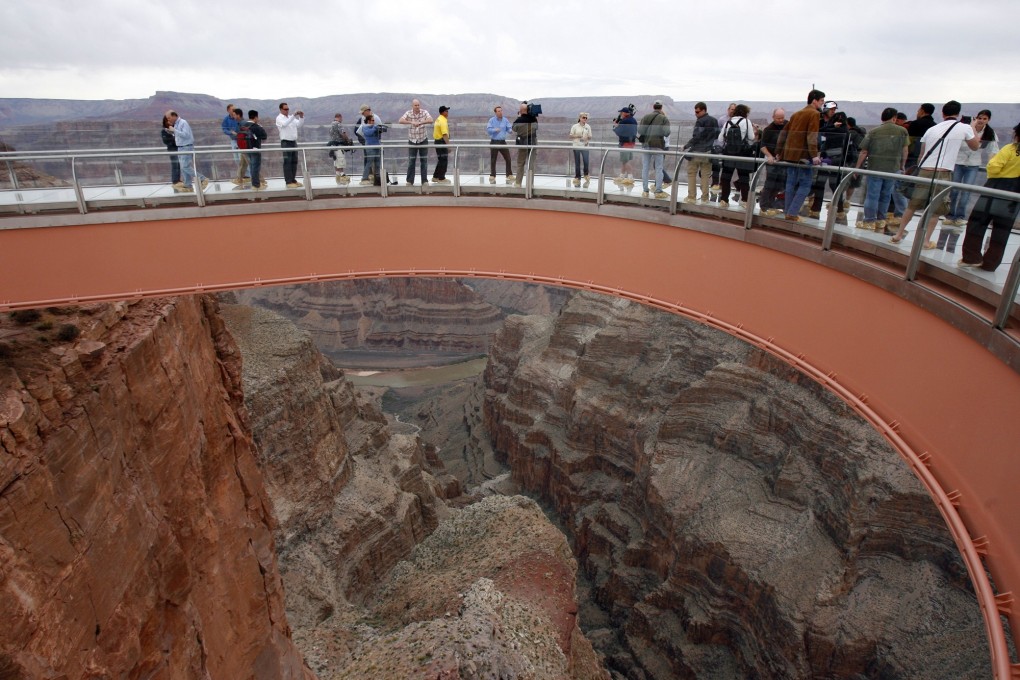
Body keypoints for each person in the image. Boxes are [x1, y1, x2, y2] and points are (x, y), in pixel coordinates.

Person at [890, 100, 980, 247]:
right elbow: (975, 146)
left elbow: (922, 154)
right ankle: (925, 241)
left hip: (925, 170)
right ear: (958, 114)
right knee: (936, 209)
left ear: (942, 113)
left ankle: (899, 234)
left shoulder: (932, 129)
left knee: (912, 205)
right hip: (943, 172)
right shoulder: (964, 127)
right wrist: (973, 127)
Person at [958, 122, 1020, 272]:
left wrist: (995, 171)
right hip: (1016, 192)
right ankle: (991, 263)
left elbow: (993, 167)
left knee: (978, 220)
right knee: (1002, 228)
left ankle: (971, 257)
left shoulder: (1010, 149)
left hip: (997, 186)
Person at [855, 107, 908, 232]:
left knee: (872, 195)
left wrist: (857, 167)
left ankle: (869, 221)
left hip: (875, 169)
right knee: (886, 195)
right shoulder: (902, 131)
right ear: (894, 118)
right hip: (892, 169)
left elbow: (864, 151)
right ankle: (880, 220)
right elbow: (905, 150)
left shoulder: (874, 131)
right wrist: (902, 165)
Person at [776, 89, 825, 221]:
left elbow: (783, 134)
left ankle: (788, 211)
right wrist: (814, 155)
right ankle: (792, 213)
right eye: (821, 101)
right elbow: (811, 135)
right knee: (805, 184)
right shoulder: (814, 114)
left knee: (790, 184)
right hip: (803, 157)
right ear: (814, 100)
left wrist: (779, 152)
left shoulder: (797, 114)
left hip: (790, 155)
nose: (822, 103)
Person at [945, 110, 999, 229]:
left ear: (988, 120)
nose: (981, 121)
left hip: (973, 164)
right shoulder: (966, 129)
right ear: (976, 118)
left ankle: (960, 217)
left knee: (966, 191)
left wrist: (993, 165)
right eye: (980, 118)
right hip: (958, 162)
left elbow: (993, 150)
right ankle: (950, 215)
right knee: (953, 190)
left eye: (985, 119)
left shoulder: (990, 133)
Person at [809, 108, 852, 222]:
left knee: (821, 184)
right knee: (834, 185)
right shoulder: (846, 131)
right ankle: (839, 210)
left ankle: (816, 208)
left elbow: (821, 130)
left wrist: (832, 126)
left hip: (828, 160)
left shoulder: (838, 131)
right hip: (836, 161)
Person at [716, 103, 756, 207]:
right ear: (745, 113)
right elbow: (751, 138)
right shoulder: (747, 122)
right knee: (744, 177)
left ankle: (724, 200)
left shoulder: (728, 122)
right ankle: (744, 200)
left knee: (726, 177)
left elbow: (720, 139)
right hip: (742, 154)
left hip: (728, 153)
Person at [683, 102, 719, 204]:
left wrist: (686, 146)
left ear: (704, 110)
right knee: (705, 176)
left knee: (691, 174)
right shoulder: (714, 120)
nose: (696, 114)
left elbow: (696, 137)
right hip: (708, 152)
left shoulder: (700, 121)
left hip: (697, 152)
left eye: (697, 112)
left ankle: (691, 197)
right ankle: (705, 198)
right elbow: (717, 135)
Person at [164, 110, 208, 192]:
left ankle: (203, 179)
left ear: (174, 116)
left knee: (185, 166)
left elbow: (186, 135)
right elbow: (179, 135)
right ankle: (188, 185)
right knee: (183, 167)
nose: (168, 120)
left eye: (169, 118)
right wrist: (172, 132)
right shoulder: (177, 124)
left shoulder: (183, 123)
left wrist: (174, 130)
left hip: (186, 147)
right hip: (180, 147)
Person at [638, 101, 671, 198]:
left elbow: (640, 131)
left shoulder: (645, 117)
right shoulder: (664, 118)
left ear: (653, 107)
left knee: (645, 167)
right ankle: (658, 190)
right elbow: (667, 133)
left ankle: (645, 190)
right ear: (661, 107)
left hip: (646, 145)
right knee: (659, 168)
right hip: (658, 145)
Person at [758, 108, 787, 215]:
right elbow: (763, 146)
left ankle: (771, 204)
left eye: (782, 118)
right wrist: (770, 156)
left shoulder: (787, 125)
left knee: (779, 185)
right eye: (778, 118)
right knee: (770, 183)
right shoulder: (768, 129)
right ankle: (764, 206)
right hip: (772, 161)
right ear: (773, 117)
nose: (781, 120)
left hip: (783, 161)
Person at [398, 99, 433, 186]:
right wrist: (411, 122)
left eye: (418, 105)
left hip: (423, 139)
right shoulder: (408, 113)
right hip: (412, 140)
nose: (417, 107)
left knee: (424, 161)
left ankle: (424, 181)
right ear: (412, 106)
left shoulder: (424, 112)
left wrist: (421, 122)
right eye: (415, 105)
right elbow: (400, 120)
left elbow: (431, 119)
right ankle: (410, 181)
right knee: (411, 161)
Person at [276, 102, 304, 188]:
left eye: (288, 109)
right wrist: (293, 116)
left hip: (293, 142)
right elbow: (284, 124)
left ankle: (293, 179)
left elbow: (299, 125)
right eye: (285, 109)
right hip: (286, 142)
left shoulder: (290, 118)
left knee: (294, 161)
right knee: (287, 162)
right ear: (281, 109)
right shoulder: (279, 118)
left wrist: (301, 117)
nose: (287, 111)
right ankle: (288, 181)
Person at [512, 102, 539, 187]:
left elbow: (514, 129)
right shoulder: (533, 119)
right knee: (531, 164)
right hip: (532, 143)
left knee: (520, 163)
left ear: (520, 111)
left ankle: (518, 183)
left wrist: (519, 117)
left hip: (522, 144)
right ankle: (530, 184)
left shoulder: (518, 120)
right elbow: (536, 128)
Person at [486, 105, 514, 183]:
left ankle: (509, 175)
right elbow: (488, 130)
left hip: (502, 142)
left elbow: (509, 128)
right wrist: (495, 130)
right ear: (495, 112)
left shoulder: (505, 120)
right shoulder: (491, 120)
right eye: (498, 111)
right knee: (493, 159)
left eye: (501, 111)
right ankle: (492, 175)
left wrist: (510, 130)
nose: (500, 112)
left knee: (508, 158)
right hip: (494, 141)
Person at [242, 110, 268, 191]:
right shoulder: (256, 126)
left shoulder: (244, 125)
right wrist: (260, 127)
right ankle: (256, 185)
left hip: (246, 149)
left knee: (252, 166)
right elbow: (264, 136)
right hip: (255, 149)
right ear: (256, 117)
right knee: (255, 167)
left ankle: (254, 184)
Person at [612, 106, 637, 185]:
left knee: (625, 161)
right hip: (631, 142)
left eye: (621, 112)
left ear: (625, 113)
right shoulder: (633, 120)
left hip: (625, 143)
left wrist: (615, 126)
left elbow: (618, 132)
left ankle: (630, 177)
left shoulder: (624, 121)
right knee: (624, 160)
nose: (620, 114)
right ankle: (622, 176)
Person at [327, 113, 353, 185]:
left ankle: (338, 177)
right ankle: (342, 176)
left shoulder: (331, 125)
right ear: (339, 117)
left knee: (336, 161)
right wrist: (347, 140)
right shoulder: (338, 124)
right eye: (341, 118)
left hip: (333, 146)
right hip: (338, 146)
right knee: (341, 160)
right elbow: (343, 134)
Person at [229, 107, 250, 188]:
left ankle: (260, 180)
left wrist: (236, 134)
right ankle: (240, 178)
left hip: (244, 146)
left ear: (238, 115)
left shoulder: (243, 123)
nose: (233, 116)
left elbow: (246, 133)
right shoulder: (239, 123)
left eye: (234, 115)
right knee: (243, 164)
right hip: (242, 146)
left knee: (248, 164)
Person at [569, 112, 592, 187]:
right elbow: (571, 135)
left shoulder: (588, 126)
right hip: (577, 146)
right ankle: (577, 177)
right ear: (579, 118)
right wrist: (578, 136)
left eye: (586, 118)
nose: (585, 119)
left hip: (585, 146)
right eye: (583, 117)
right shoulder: (575, 126)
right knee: (577, 162)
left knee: (586, 162)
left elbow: (590, 136)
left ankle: (586, 175)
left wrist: (587, 137)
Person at [361, 113, 382, 186]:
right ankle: (364, 178)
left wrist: (380, 129)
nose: (373, 122)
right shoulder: (364, 127)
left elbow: (381, 132)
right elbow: (368, 133)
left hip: (377, 146)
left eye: (374, 120)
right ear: (368, 121)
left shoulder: (375, 127)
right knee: (369, 162)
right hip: (370, 147)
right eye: (372, 120)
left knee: (377, 163)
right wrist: (374, 128)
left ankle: (377, 178)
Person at [432, 105, 451, 184]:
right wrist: (448, 146)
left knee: (440, 160)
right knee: (443, 160)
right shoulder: (443, 121)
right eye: (446, 111)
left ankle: (435, 176)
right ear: (443, 112)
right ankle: (441, 178)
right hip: (441, 142)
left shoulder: (438, 119)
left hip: (437, 141)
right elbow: (444, 134)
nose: (448, 112)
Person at [161, 114, 181, 189]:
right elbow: (166, 141)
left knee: (179, 165)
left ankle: (178, 180)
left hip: (179, 149)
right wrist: (175, 141)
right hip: (173, 150)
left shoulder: (175, 129)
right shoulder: (165, 131)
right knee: (175, 165)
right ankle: (175, 180)